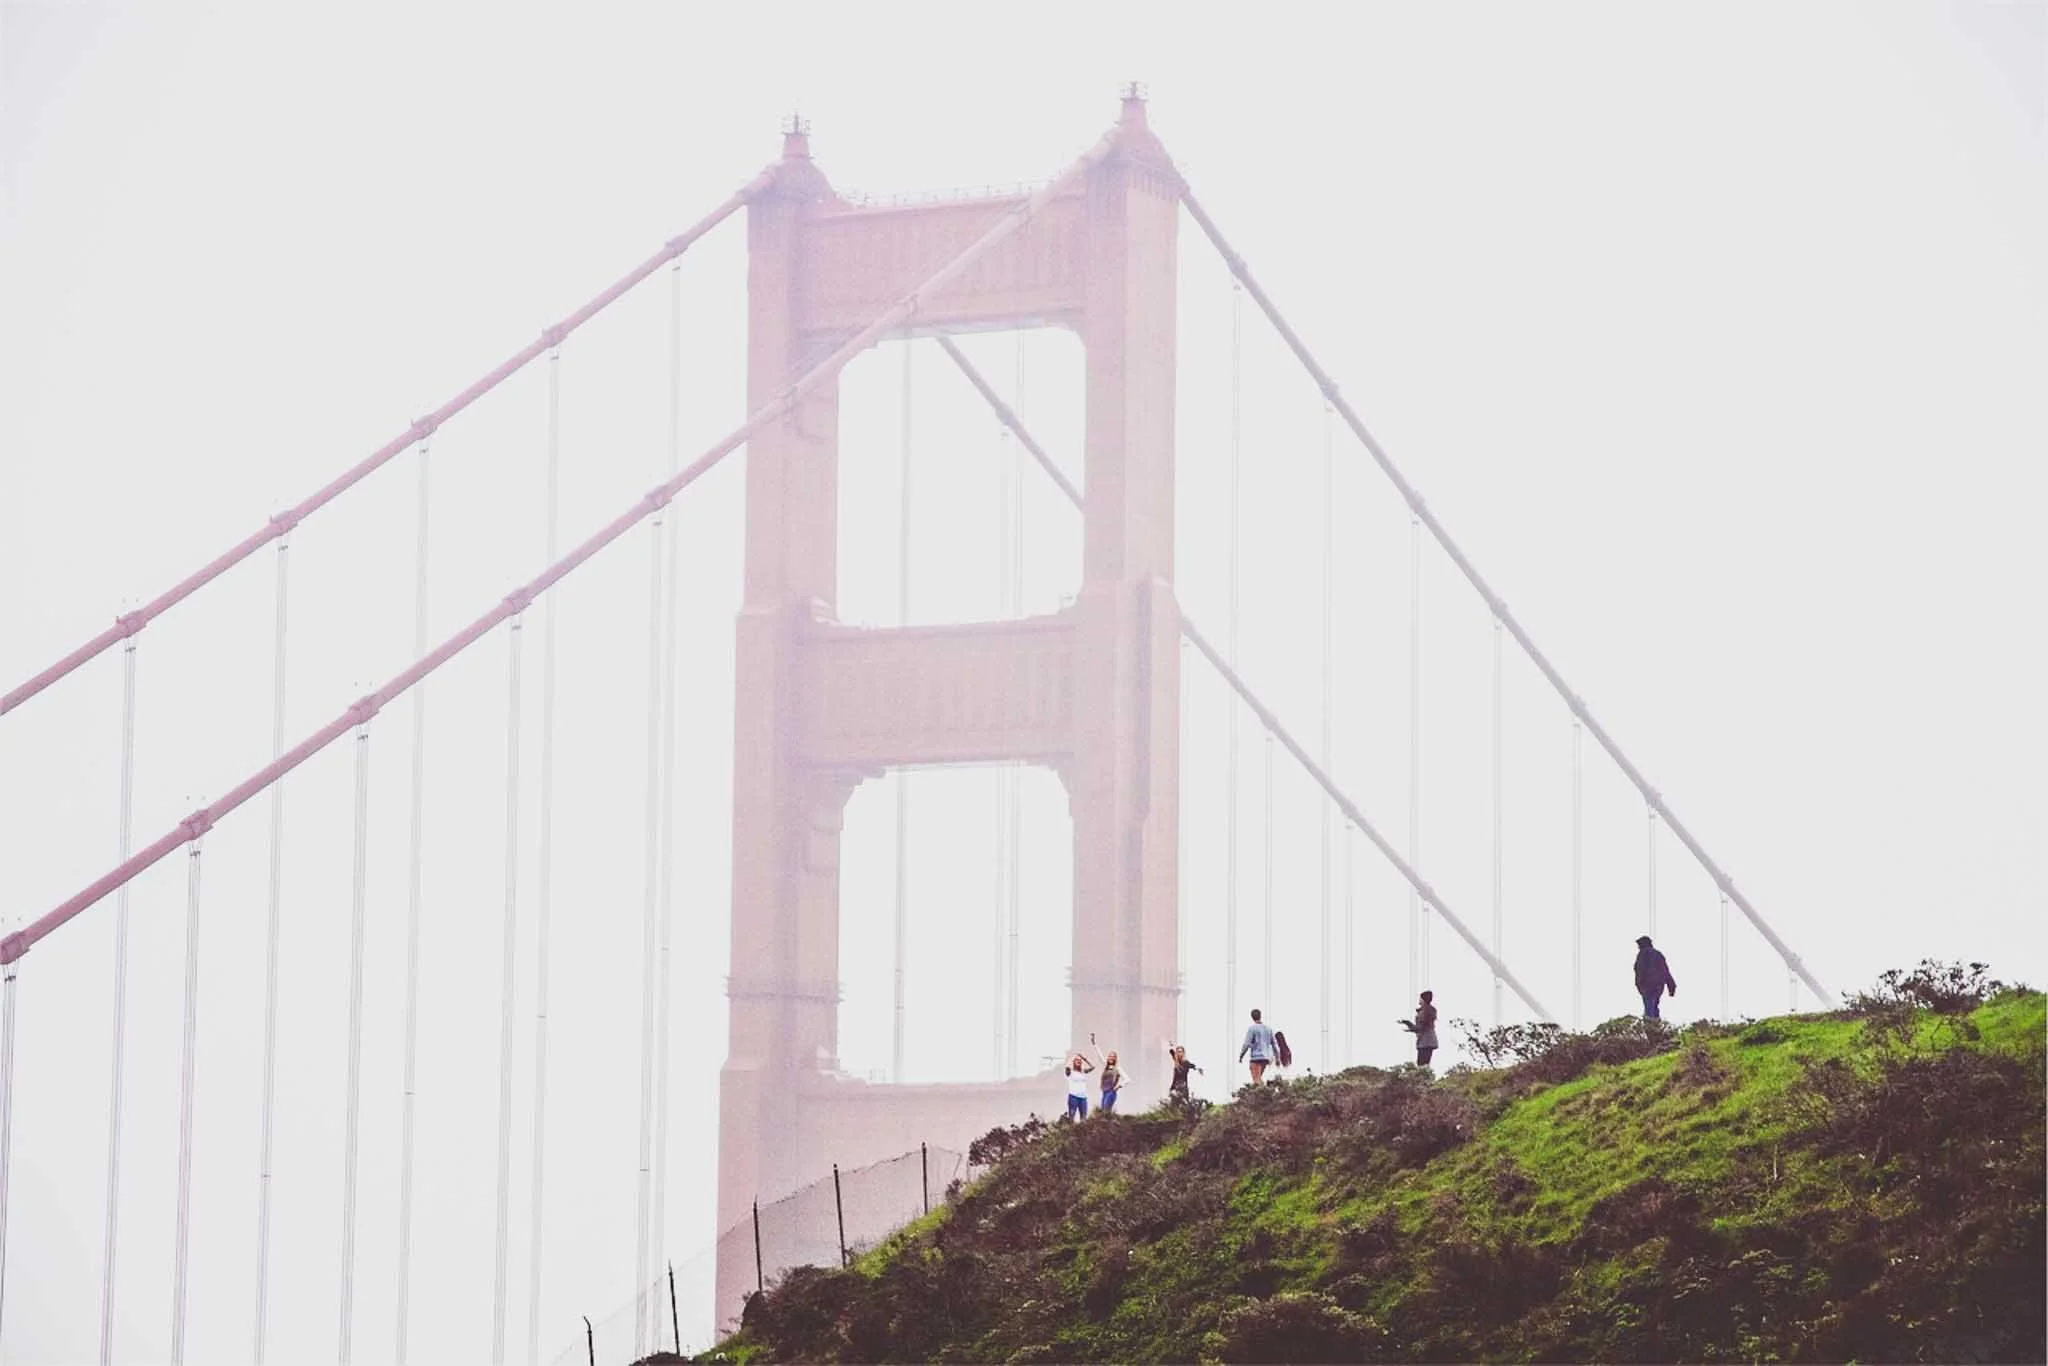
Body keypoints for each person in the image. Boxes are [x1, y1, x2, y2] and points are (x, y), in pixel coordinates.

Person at [1634, 935, 1678, 1020]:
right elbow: (1666, 972)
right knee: (1654, 1006)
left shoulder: (1643, 954)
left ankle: (1651, 1026)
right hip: (1658, 986)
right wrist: (1671, 987)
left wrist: (1639, 984)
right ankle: (1656, 1024)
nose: (1638, 947)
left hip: (1647, 986)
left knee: (1649, 1008)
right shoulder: (1658, 954)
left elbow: (1640, 969)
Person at [1397, 990, 1439, 1067]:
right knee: (1425, 1063)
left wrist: (1408, 1024)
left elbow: (1419, 1028)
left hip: (1424, 1041)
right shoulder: (1430, 1010)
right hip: (1430, 1040)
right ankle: (1426, 1077)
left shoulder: (1423, 1012)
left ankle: (1423, 1078)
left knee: (1421, 1064)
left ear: (1423, 1000)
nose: (1419, 1000)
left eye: (1420, 998)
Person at [1238, 1008, 1277, 1084]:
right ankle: (1264, 1092)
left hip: (1256, 1058)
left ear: (1252, 1017)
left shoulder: (1252, 1029)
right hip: (1265, 1058)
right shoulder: (1268, 1029)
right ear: (1260, 1016)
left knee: (1256, 1080)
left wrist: (1241, 1056)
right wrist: (1277, 1057)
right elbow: (1274, 1044)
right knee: (1258, 1078)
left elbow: (1246, 1044)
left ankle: (1265, 1093)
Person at [1064, 1051, 1095, 1120]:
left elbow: (1093, 1067)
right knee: (1071, 1117)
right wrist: (1073, 1057)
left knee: (1083, 1118)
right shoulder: (1070, 1072)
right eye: (1076, 1060)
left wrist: (1084, 1058)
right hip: (1073, 1097)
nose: (1079, 1061)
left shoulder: (1083, 1071)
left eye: (1080, 1061)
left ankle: (1082, 1131)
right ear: (1073, 1062)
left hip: (1083, 1098)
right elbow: (1066, 1066)